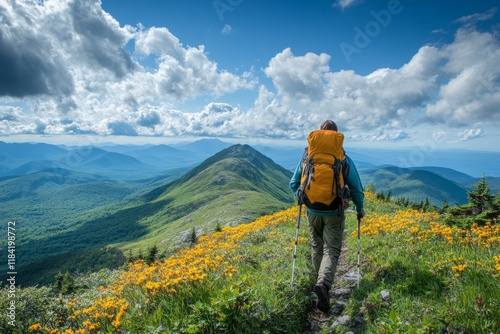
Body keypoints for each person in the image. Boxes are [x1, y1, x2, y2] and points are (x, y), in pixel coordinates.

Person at [289, 120, 365, 313]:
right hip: (334, 211)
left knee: (317, 246)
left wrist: (304, 196)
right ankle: (323, 284)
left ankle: (319, 281)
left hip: (312, 210)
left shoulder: (308, 156)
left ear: (319, 134)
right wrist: (359, 208)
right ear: (336, 136)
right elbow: (356, 188)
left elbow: (293, 183)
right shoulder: (342, 158)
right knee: (331, 249)